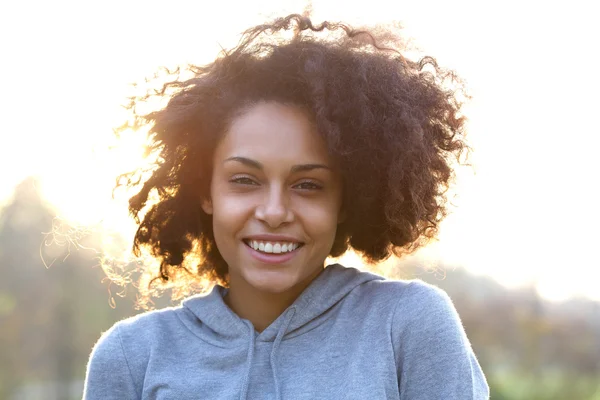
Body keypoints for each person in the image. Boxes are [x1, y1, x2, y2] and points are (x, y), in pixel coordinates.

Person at [83, 14, 489, 399]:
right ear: (204, 191)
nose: (274, 211)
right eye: (244, 180)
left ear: (345, 201)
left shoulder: (408, 326)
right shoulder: (132, 357)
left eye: (308, 185)